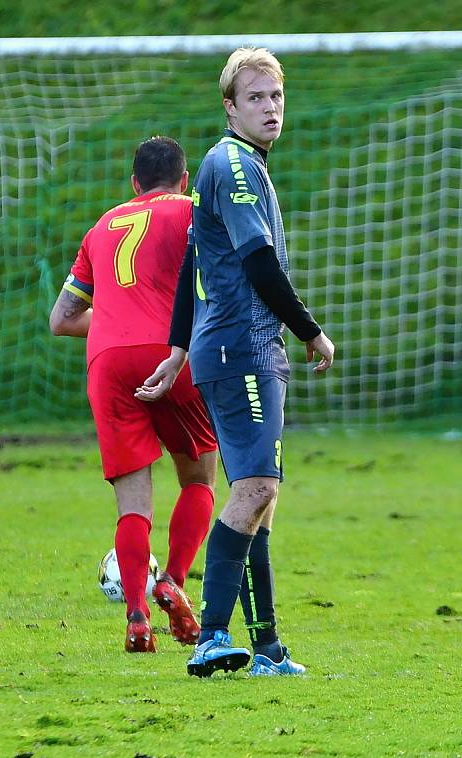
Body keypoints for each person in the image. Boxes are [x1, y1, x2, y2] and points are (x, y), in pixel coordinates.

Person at [135, 48, 335, 677]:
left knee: (261, 499)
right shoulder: (237, 166)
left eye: (275, 96)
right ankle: (212, 636)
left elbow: (197, 265)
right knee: (253, 489)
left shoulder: (233, 166)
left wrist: (175, 352)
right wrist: (311, 330)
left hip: (236, 348)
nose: (269, 107)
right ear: (230, 106)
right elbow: (257, 265)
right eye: (255, 97)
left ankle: (268, 648)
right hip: (241, 348)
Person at [49, 136, 218, 654]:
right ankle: (172, 581)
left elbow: (62, 319)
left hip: (107, 362)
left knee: (132, 504)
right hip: (173, 351)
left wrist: (118, 321)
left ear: (133, 184)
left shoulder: (101, 226)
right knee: (200, 475)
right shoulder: (192, 211)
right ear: (184, 180)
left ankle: (138, 618)